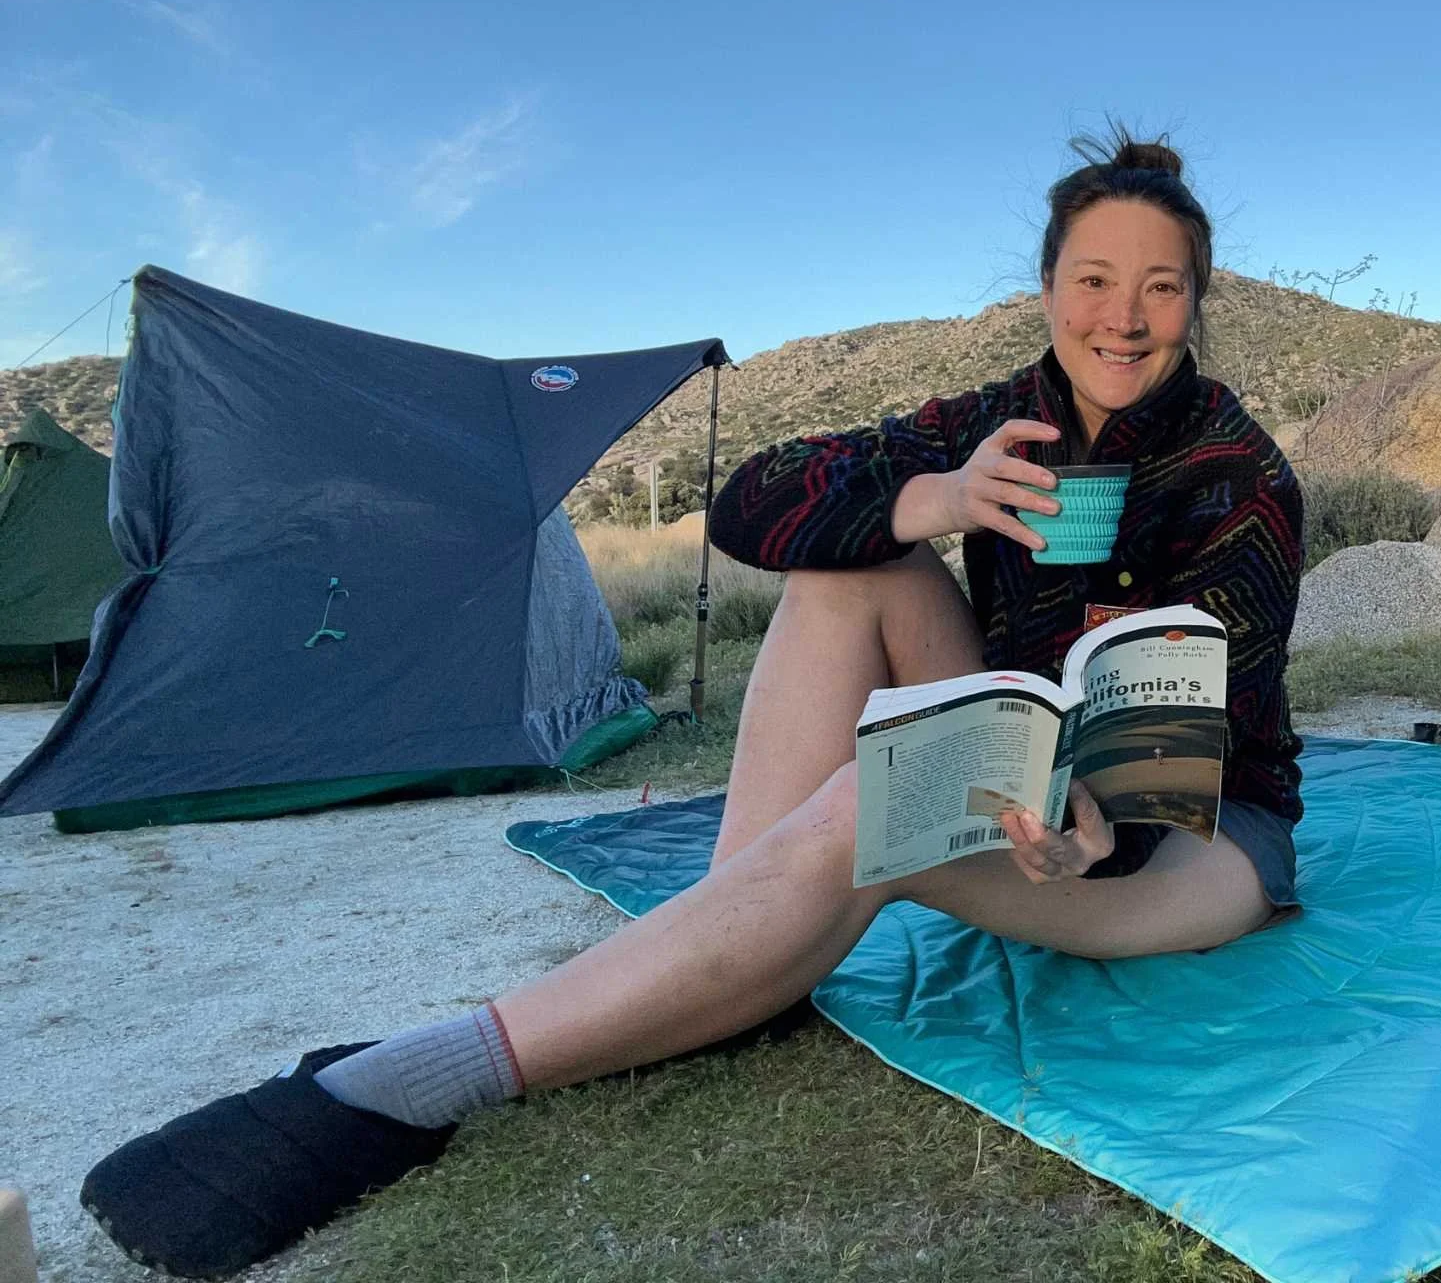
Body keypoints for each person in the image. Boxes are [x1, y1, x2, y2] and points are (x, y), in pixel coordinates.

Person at [80, 128, 1308, 1280]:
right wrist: (931, 498)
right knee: (848, 572)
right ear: (1047, 286)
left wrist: (1094, 823)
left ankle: (416, 1077)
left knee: (861, 808)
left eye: (1160, 287)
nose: (1124, 317)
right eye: (1096, 278)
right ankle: (739, 949)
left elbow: (1193, 737)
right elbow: (750, 501)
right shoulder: (997, 421)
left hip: (1181, 839)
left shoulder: (1243, 477)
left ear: (1196, 300)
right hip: (1015, 756)